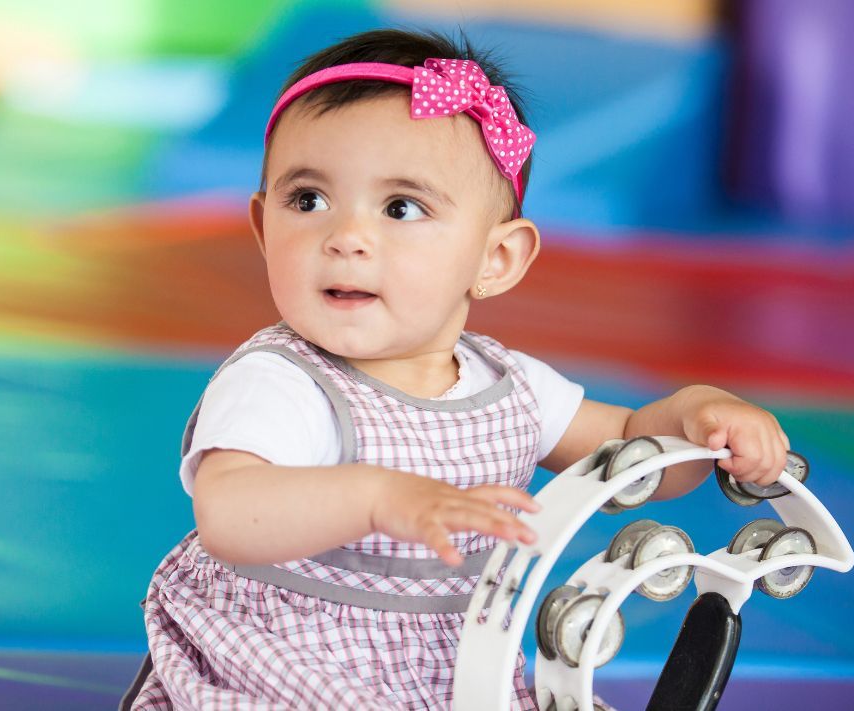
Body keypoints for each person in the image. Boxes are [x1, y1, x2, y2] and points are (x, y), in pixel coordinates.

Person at [123, 28, 791, 711]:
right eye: (308, 201)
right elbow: (229, 511)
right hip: (285, 662)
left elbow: (634, 456)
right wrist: (380, 499)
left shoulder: (508, 384)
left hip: (457, 671)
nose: (346, 237)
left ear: (495, 260)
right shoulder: (283, 379)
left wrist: (696, 419)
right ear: (264, 231)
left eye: (401, 208)